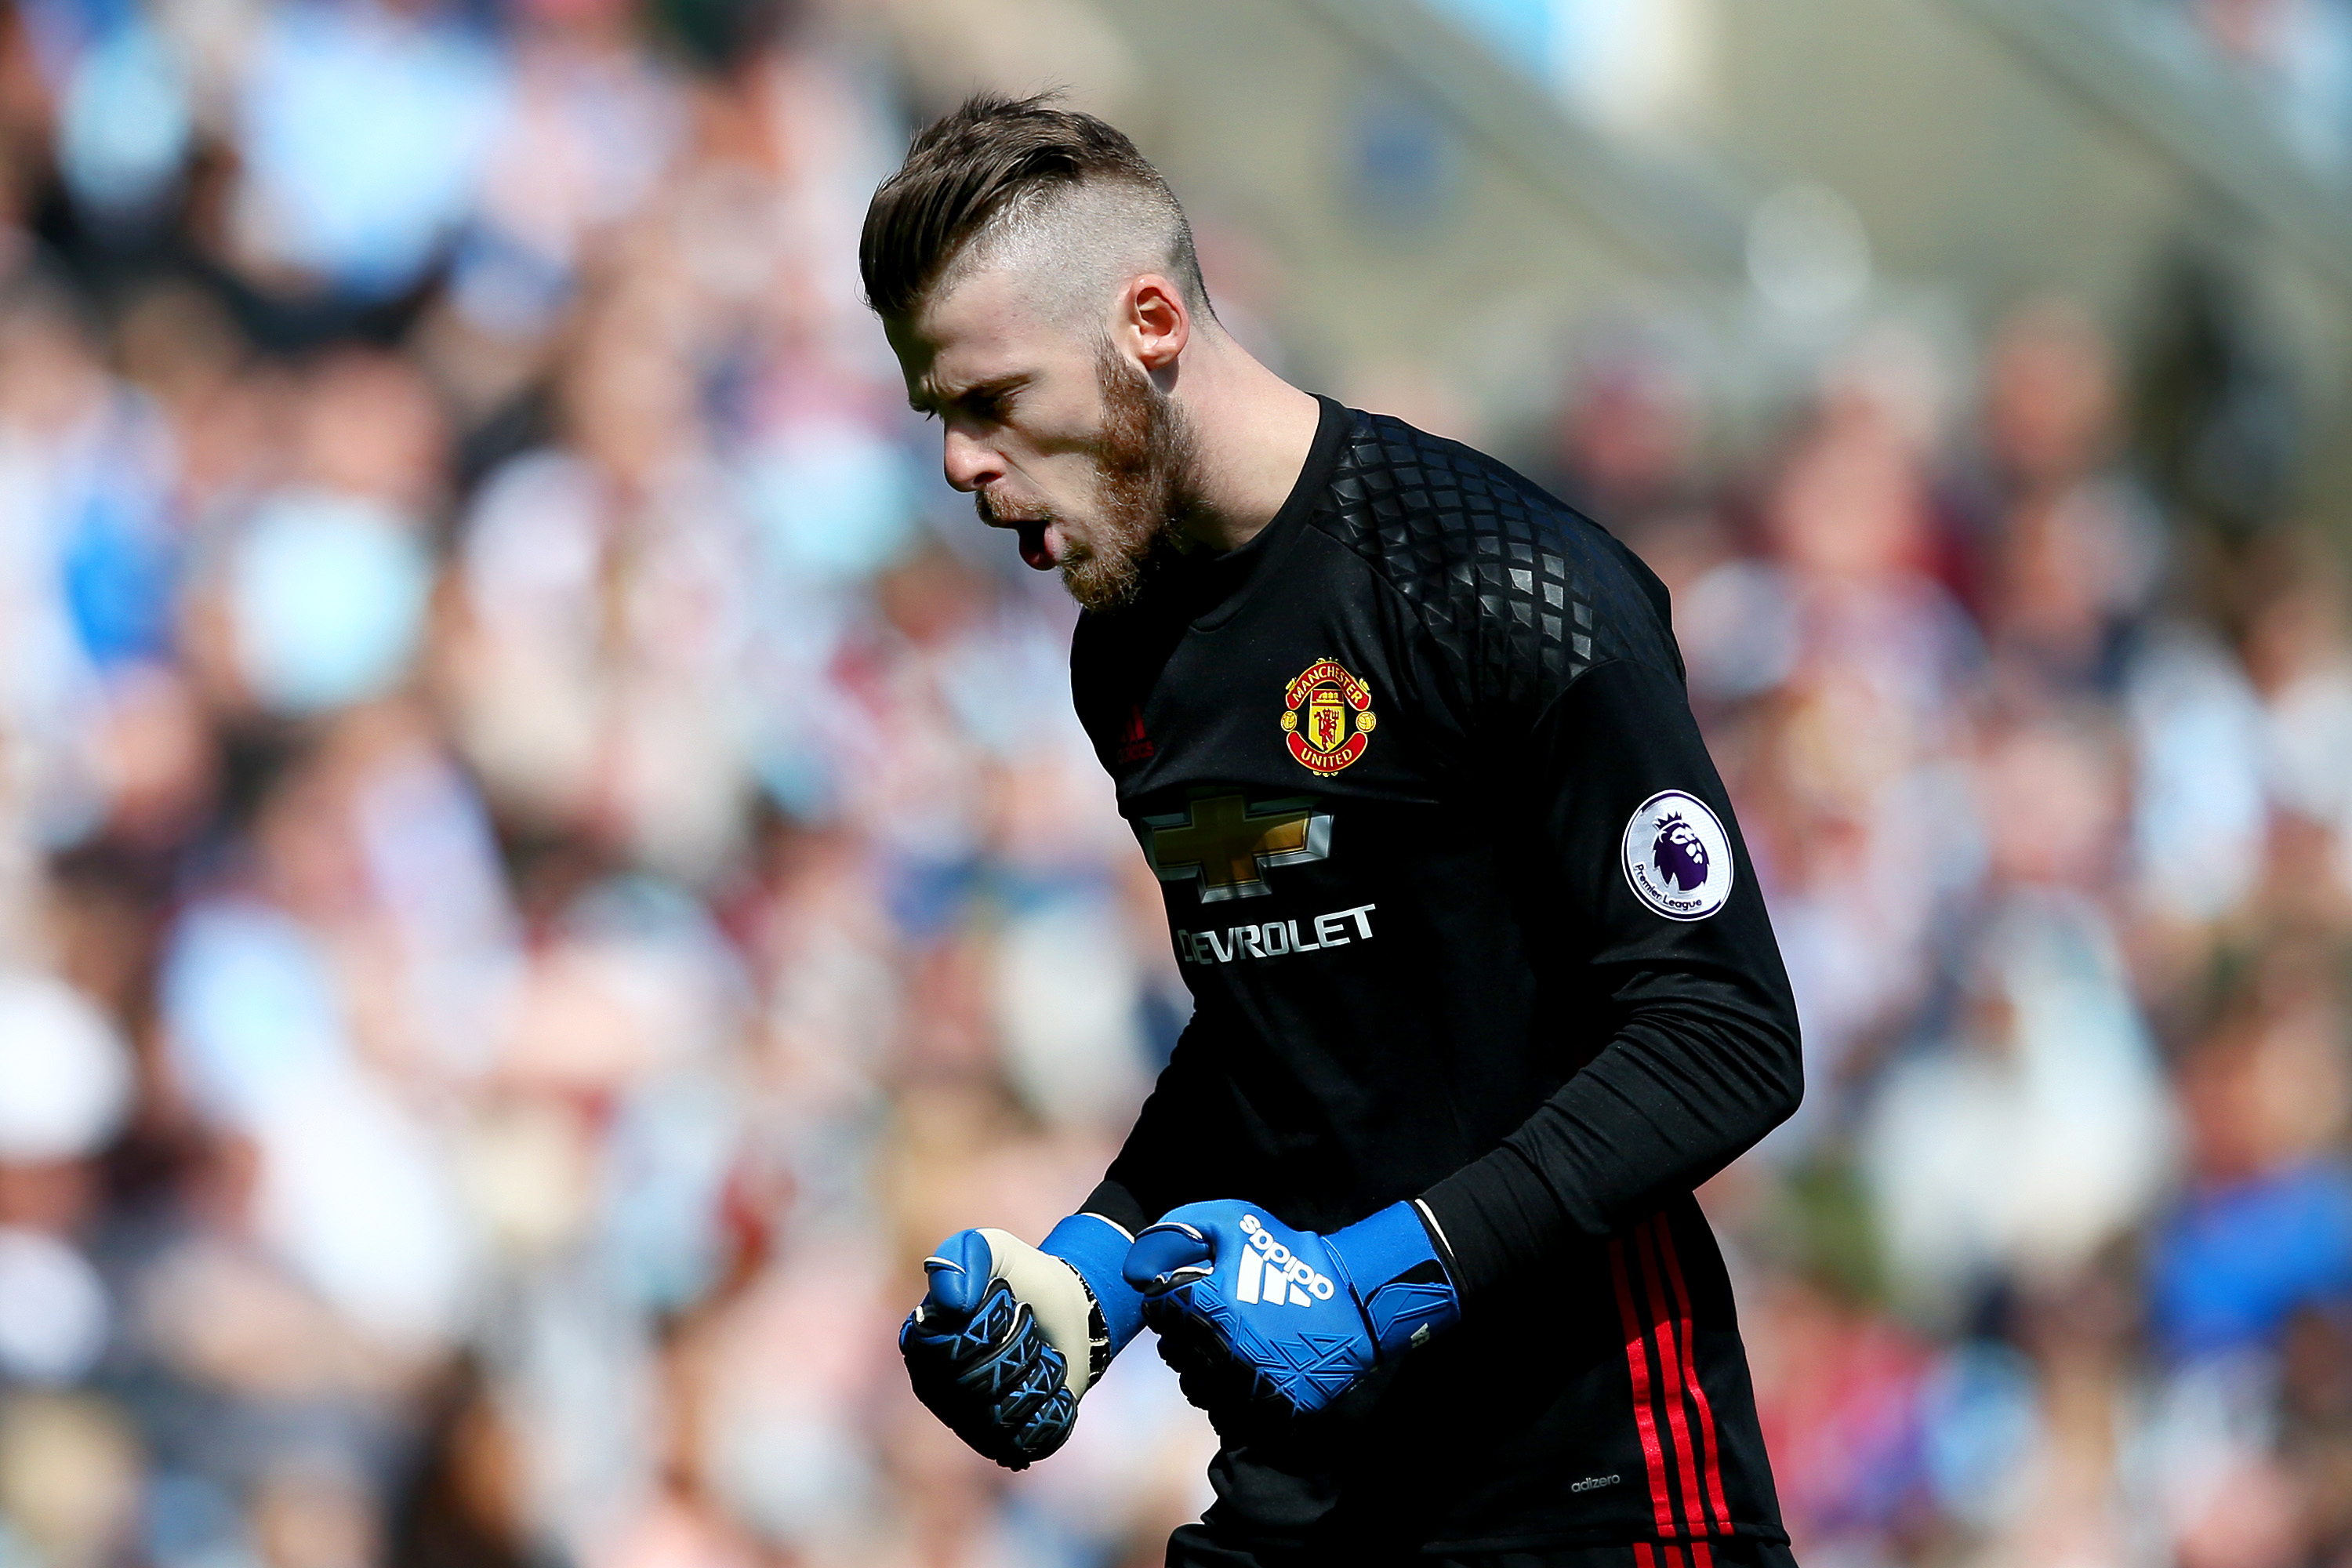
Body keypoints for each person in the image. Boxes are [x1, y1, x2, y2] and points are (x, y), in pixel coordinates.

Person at [866, 92, 1805, 1568]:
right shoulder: (1126, 651)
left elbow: (1724, 1034)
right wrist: (1094, 1269)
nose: (959, 466)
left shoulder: (1505, 587)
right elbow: (1281, 1012)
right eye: (940, 415)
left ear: (1151, 325)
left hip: (1588, 1490)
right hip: (1313, 1498)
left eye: (992, 401)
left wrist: (1391, 1276)